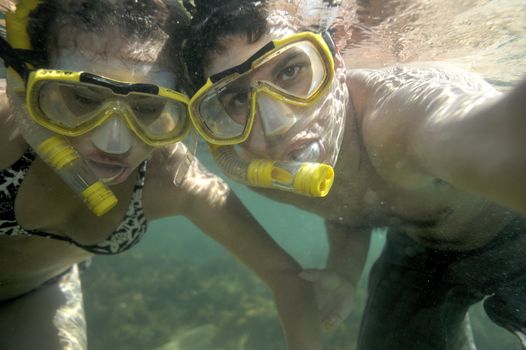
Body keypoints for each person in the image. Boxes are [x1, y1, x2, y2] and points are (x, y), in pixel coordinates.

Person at [182, 0, 526, 349]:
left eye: (290, 72)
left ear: (335, 61)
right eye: (238, 99)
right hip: (420, 251)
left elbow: (488, 137)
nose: (277, 124)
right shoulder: (261, 168)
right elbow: (348, 208)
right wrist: (343, 272)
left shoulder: (394, 119)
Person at [0, 1, 324, 349]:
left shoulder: (171, 178)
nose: (114, 142)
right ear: (30, 87)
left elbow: (286, 276)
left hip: (41, 292)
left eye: (147, 107)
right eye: (82, 98)